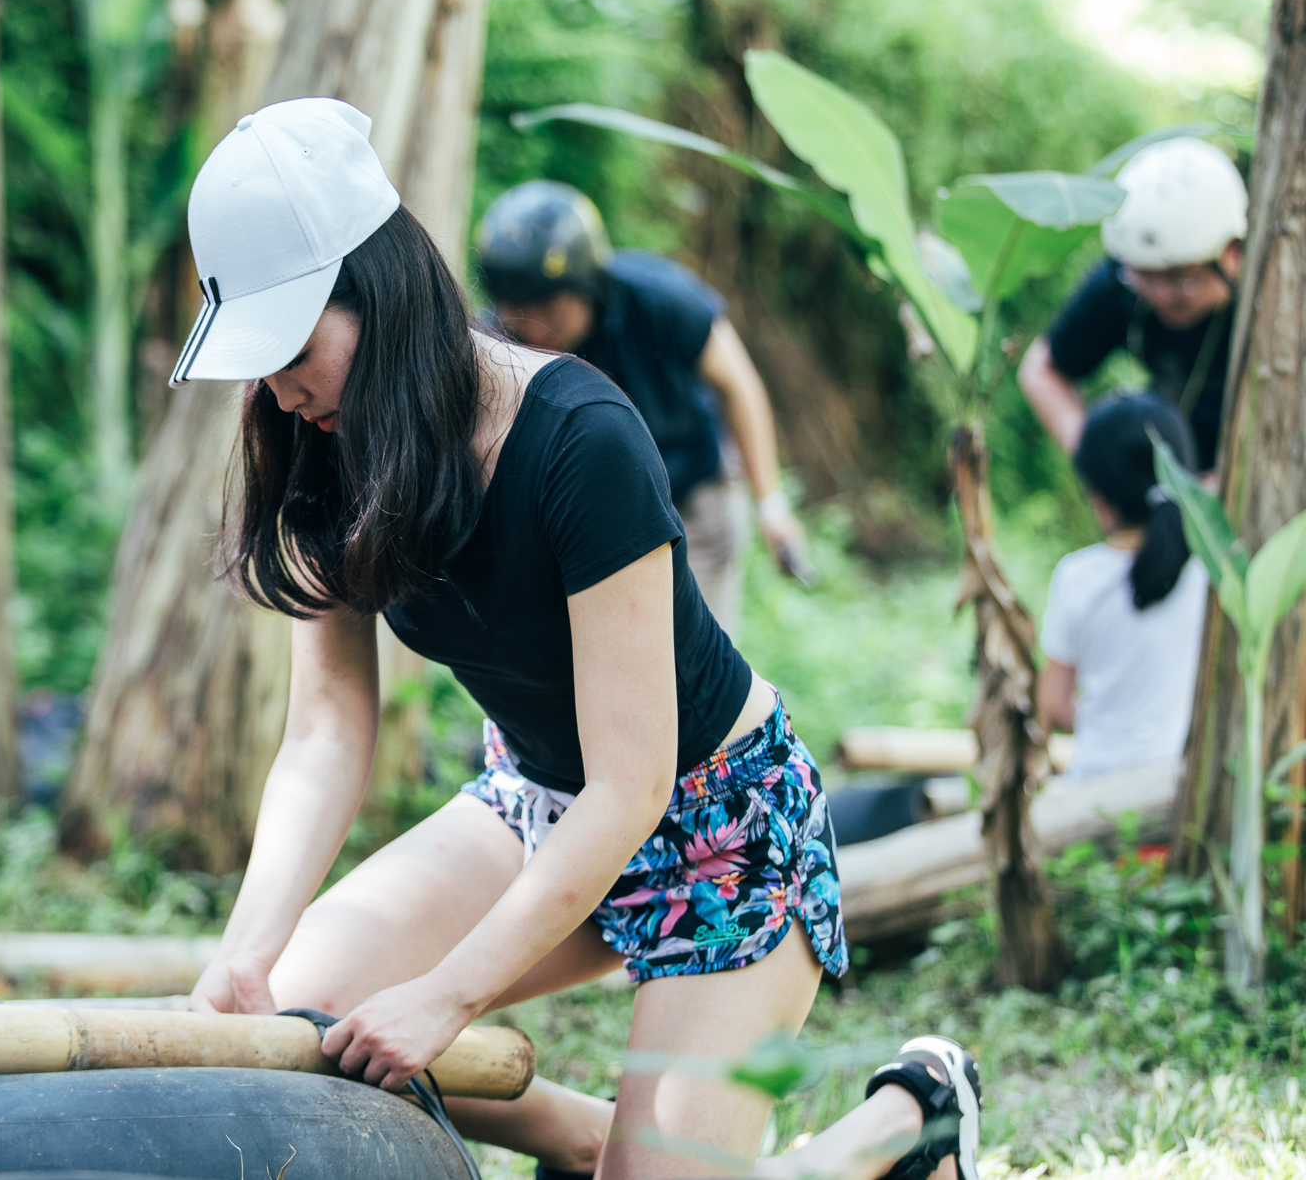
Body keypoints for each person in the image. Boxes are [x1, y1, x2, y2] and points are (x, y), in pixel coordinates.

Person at [172, 97, 981, 1180]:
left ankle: (904, 1121)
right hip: (537, 803)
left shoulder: (576, 440)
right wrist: (246, 947)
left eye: (293, 346)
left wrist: (446, 995)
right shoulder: (319, 441)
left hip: (715, 825)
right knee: (296, 1019)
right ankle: (592, 1137)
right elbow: (323, 730)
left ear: (381, 288)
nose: (277, 387)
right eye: (256, 360)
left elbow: (632, 781)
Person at [474, 181, 811, 635]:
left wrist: (770, 504)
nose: (531, 328)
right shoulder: (498, 343)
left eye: (547, 308)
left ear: (586, 283)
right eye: (514, 309)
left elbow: (740, 385)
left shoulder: (660, 299)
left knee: (687, 665)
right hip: (586, 517)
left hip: (691, 498)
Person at [1018, 138, 1247, 473]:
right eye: (1145, 278)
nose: (1160, 295)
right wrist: (1106, 469)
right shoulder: (1123, 280)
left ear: (1231, 253)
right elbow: (1042, 370)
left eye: (1178, 278)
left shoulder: (1274, 308)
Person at [1036, 394, 1207, 782]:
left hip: (1096, 795)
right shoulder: (1206, 573)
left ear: (1099, 496)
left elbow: (1053, 704)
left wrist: (1108, 720)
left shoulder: (1078, 577)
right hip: (1179, 787)